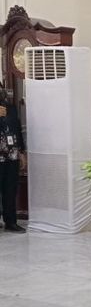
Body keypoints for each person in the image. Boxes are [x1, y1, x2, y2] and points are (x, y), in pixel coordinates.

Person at [0, 86, 26, 233]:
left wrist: (22, 152)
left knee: (10, 189)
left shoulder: (11, 108)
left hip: (12, 155)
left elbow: (17, 129)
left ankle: (11, 222)